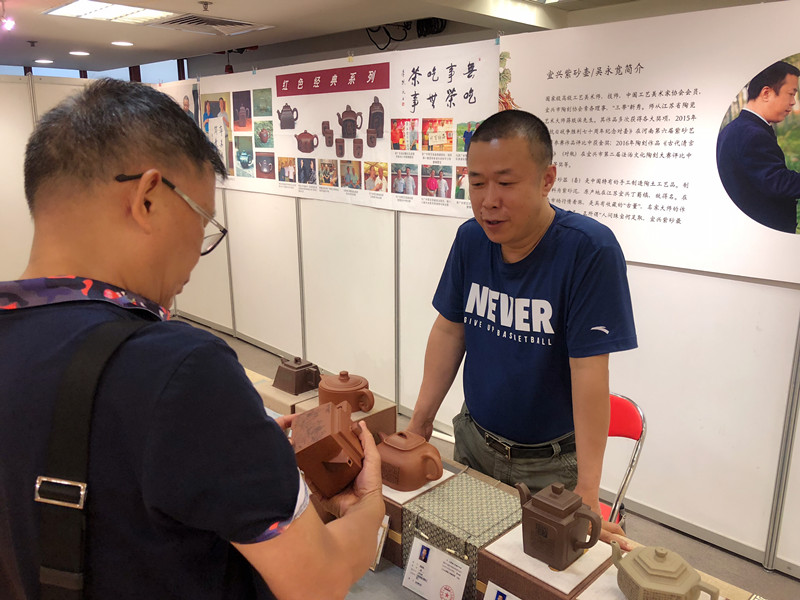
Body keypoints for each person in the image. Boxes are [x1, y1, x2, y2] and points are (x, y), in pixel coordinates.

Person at [0, 78, 384, 600]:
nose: (199, 256)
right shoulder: (181, 368)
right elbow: (316, 580)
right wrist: (369, 508)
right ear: (148, 198)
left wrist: (242, 447)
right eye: (203, 221)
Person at [406, 109, 637, 549]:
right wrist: (419, 424)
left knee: (539, 570)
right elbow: (450, 331)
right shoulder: (471, 239)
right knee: (460, 557)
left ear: (547, 179)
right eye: (477, 182)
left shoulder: (588, 250)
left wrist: (589, 491)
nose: (488, 200)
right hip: (474, 442)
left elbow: (590, 372)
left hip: (550, 465)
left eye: (506, 183)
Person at [717, 60, 800, 233]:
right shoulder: (753, 134)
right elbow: (778, 183)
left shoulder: (734, 128)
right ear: (766, 93)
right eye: (791, 94)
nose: (793, 102)